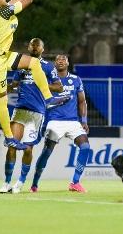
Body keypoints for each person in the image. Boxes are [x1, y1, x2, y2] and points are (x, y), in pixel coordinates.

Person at [0, 0, 68, 150]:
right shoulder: (2, 11)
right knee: (1, 98)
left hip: (2, 55)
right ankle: (9, 137)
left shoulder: (2, 9)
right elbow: (27, 0)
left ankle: (48, 99)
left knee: (34, 63)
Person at [0, 38, 63, 194]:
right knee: (12, 145)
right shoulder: (21, 64)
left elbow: (59, 87)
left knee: (28, 149)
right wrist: (1, 89)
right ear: (28, 47)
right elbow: (13, 85)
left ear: (42, 49)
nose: (34, 48)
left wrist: (41, 83)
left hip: (37, 113)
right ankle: (7, 182)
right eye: (32, 46)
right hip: (20, 110)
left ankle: (20, 183)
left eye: (37, 46)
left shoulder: (48, 67)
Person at [30, 54, 91, 193]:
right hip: (54, 121)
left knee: (85, 147)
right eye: (58, 60)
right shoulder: (47, 81)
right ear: (54, 64)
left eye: (63, 59)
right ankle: (34, 183)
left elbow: (82, 101)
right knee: (46, 152)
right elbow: (40, 101)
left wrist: (84, 121)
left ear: (68, 63)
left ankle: (75, 182)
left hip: (73, 122)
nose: (61, 61)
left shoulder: (76, 79)